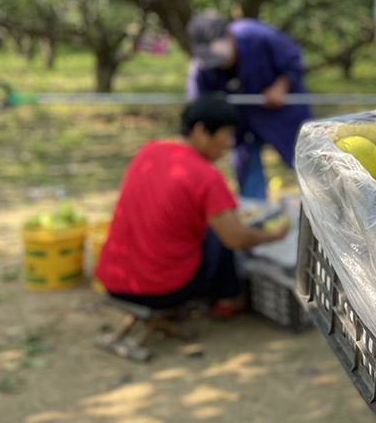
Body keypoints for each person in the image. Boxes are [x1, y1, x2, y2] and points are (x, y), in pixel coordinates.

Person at [96, 95, 290, 317]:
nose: (228, 145)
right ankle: (229, 298)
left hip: (113, 281)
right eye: (226, 136)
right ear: (201, 131)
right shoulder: (206, 177)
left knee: (209, 227)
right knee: (220, 234)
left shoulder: (147, 152)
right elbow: (235, 238)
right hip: (161, 290)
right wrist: (274, 235)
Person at [185, 11, 312, 201]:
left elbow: (294, 60)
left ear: (228, 36)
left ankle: (319, 213)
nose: (217, 65)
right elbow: (199, 107)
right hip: (240, 123)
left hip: (282, 113)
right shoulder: (201, 69)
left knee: (306, 163)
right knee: (247, 170)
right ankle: (255, 219)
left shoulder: (257, 36)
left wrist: (281, 85)